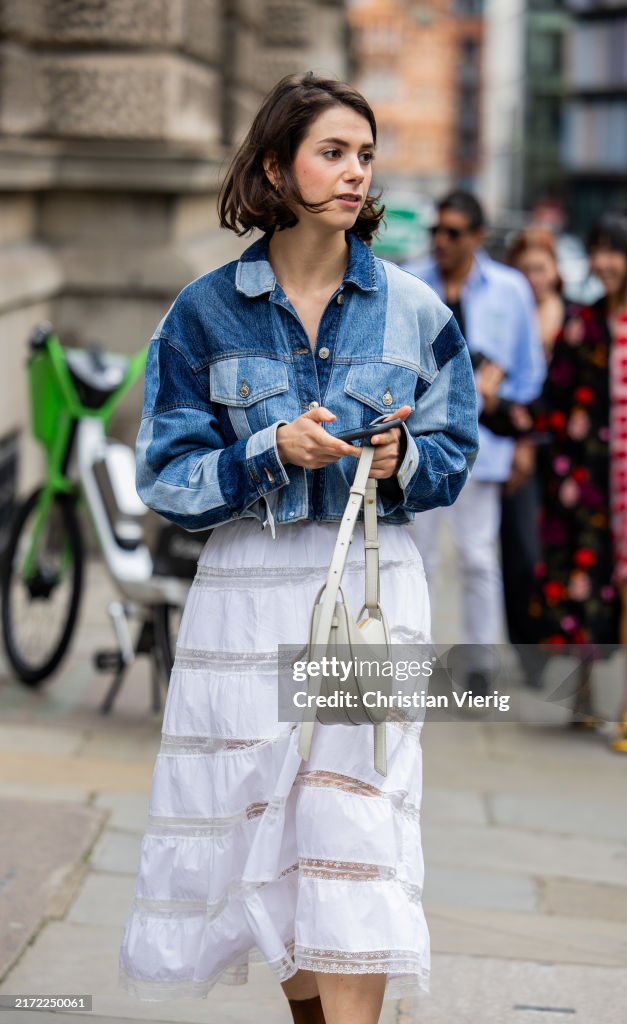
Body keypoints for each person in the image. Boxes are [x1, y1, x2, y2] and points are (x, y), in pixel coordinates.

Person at [117, 72, 479, 1024]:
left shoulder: (413, 310)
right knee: (270, 836)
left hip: (367, 593)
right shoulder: (204, 312)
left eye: (364, 154)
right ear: (277, 168)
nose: (355, 171)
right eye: (333, 152)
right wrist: (265, 448)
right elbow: (166, 473)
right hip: (250, 591)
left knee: (351, 823)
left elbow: (453, 456)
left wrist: (404, 459)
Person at [528, 210, 627, 754]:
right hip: (593, 473)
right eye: (597, 250)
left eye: (613, 250)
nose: (602, 261)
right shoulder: (583, 324)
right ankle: (587, 695)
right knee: (588, 581)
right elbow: (555, 399)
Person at [404, 191, 545, 691]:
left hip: (481, 447)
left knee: (478, 557)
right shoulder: (412, 282)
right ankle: (412, 659)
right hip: (419, 444)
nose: (442, 241)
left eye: (454, 232)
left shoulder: (509, 290)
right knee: (416, 558)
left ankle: (480, 663)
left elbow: (531, 375)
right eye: (437, 231)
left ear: (478, 237)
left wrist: (498, 392)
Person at [500, 227, 568, 678]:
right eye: (524, 269)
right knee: (520, 550)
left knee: (557, 551)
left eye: (540, 268)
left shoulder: (574, 317)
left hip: (566, 452)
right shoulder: (507, 316)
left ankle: (558, 641)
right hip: (520, 446)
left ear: (556, 271)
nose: (533, 278)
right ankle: (527, 645)